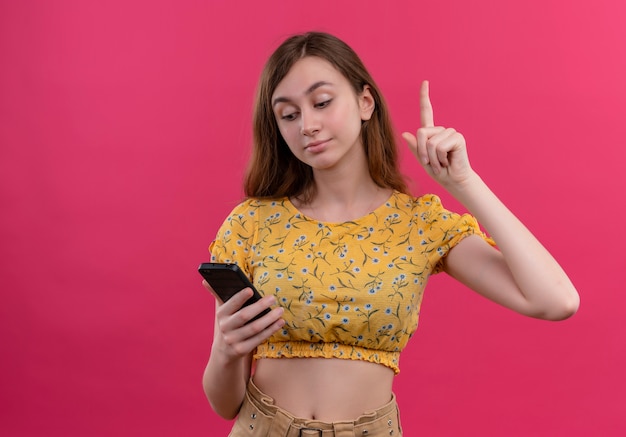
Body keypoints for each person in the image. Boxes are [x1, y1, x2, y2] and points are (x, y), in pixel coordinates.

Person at [201, 31, 579, 436]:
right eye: (289, 115)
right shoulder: (251, 224)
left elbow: (556, 301)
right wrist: (225, 350)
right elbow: (226, 406)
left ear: (366, 103)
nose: (308, 125)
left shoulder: (419, 224)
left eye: (322, 102)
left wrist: (464, 183)